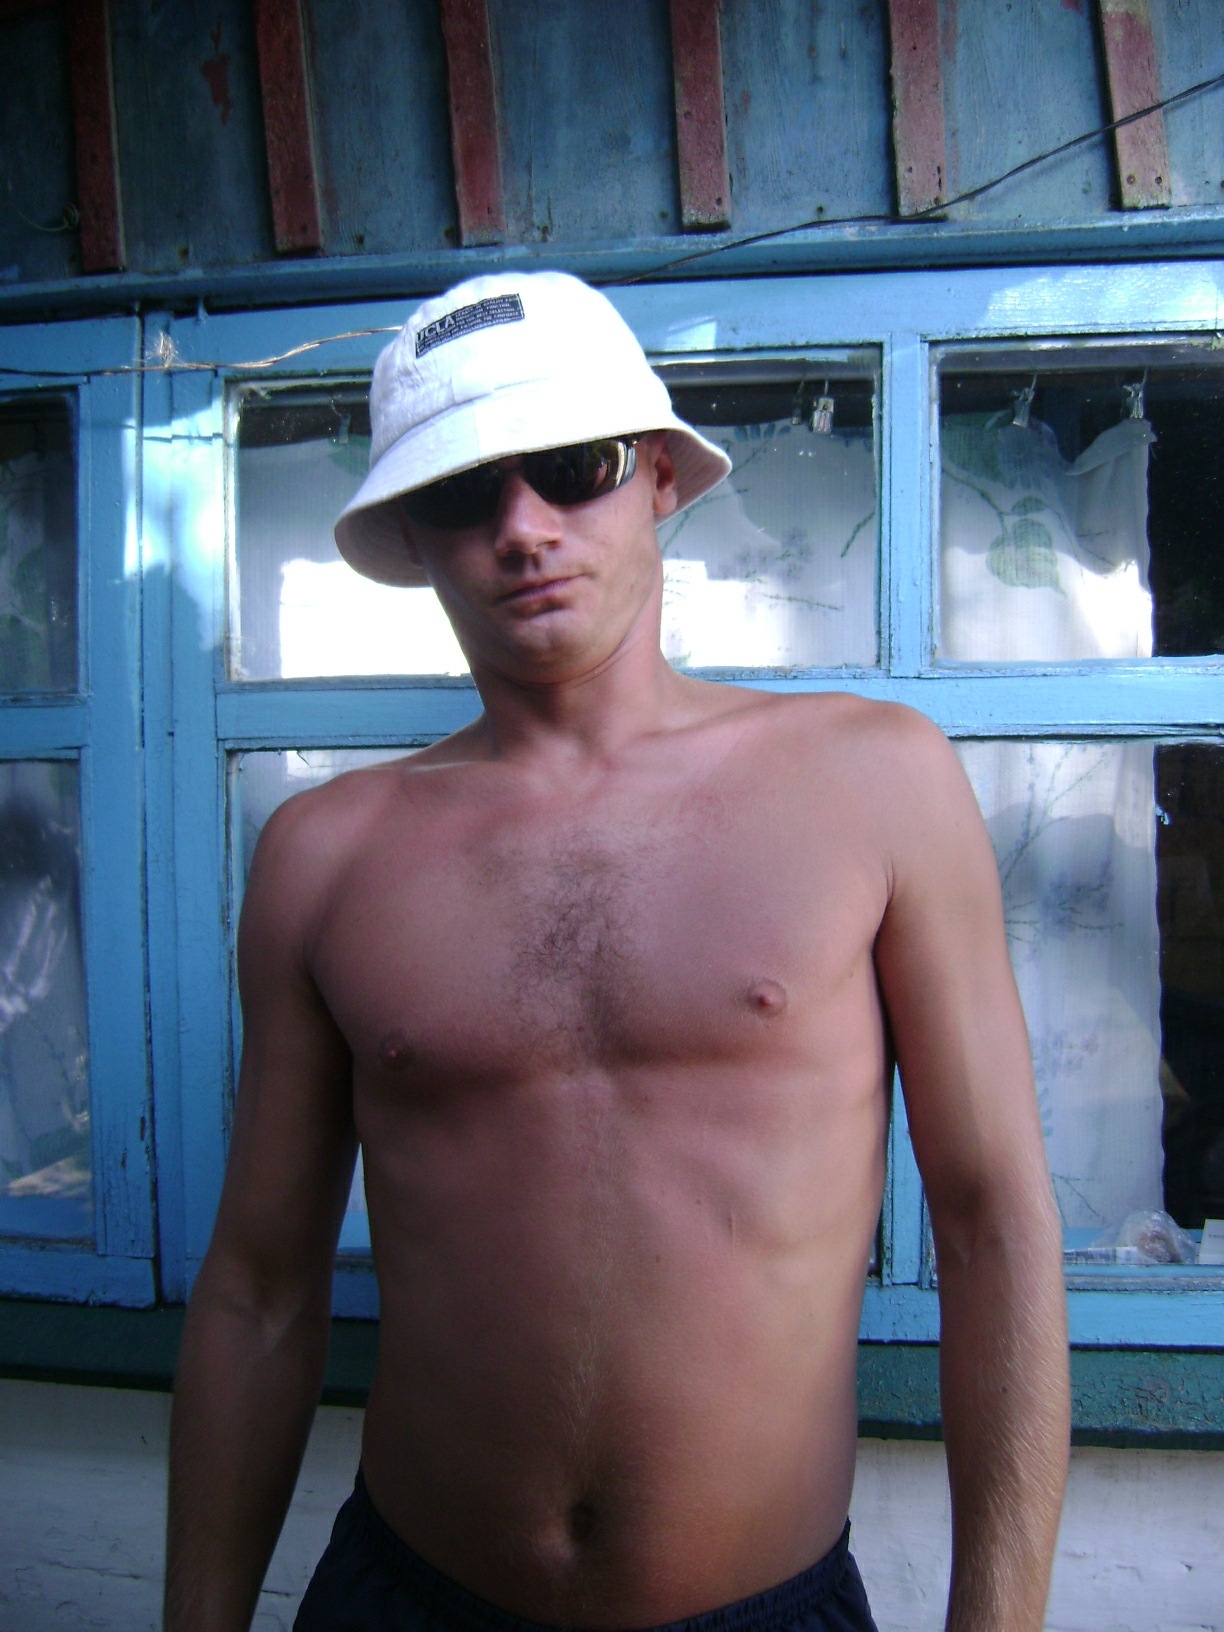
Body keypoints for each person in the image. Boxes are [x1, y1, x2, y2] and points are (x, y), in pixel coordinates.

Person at [164, 271, 1069, 1632]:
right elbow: (257, 1289)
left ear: (655, 476)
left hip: (763, 1606)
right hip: (406, 1597)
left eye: (571, 468)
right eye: (464, 493)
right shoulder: (326, 856)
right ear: (413, 536)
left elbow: (995, 1223)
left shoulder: (873, 783)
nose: (523, 529)